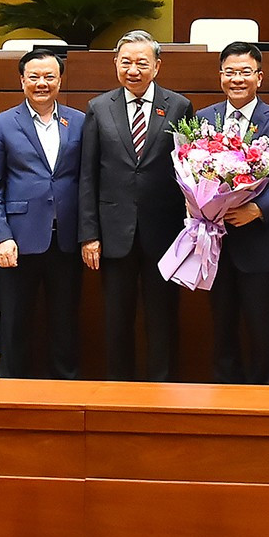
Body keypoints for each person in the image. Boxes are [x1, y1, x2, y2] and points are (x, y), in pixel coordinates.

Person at [77, 31, 194, 382]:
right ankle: (119, 392)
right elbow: (87, 176)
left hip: (166, 234)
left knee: (163, 319)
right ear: (115, 64)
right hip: (114, 234)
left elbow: (190, 169)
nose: (133, 69)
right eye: (126, 62)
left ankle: (164, 390)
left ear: (157, 66)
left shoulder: (179, 106)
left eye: (142, 62)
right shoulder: (99, 108)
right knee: (117, 320)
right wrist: (89, 235)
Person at [192, 41, 269, 384]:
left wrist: (258, 208)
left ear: (259, 77)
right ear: (220, 76)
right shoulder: (202, 119)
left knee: (261, 327)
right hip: (215, 243)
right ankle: (225, 396)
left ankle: (264, 397)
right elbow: (190, 173)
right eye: (230, 72)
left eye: (244, 72)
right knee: (221, 327)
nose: (237, 79)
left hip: (258, 243)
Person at [0, 48, 86, 379]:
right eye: (34, 77)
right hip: (18, 242)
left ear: (60, 79)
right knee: (14, 323)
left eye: (49, 77)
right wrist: (1, 237)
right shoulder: (2, 123)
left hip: (66, 240)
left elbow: (85, 180)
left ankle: (66, 393)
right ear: (22, 79)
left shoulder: (79, 121)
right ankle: (12, 394)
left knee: (66, 324)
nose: (42, 83)